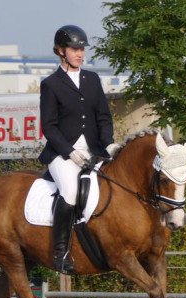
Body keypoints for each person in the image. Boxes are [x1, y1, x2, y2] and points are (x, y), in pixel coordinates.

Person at [39, 24, 121, 274]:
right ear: (61, 51)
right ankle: (60, 252)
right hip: (62, 153)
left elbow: (103, 117)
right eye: (75, 49)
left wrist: (108, 143)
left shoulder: (92, 79)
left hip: (94, 150)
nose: (80, 54)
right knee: (72, 191)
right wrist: (69, 151)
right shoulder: (51, 84)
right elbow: (50, 127)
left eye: (82, 49)